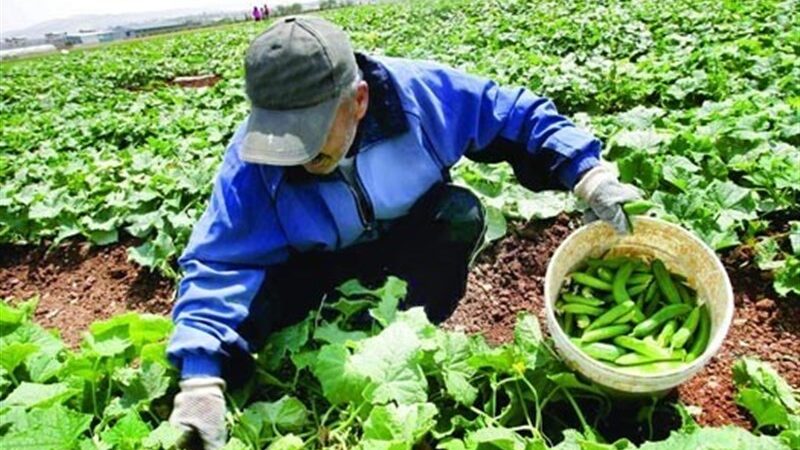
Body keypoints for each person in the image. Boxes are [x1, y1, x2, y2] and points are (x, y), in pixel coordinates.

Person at [167, 16, 641, 449]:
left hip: (402, 245)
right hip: (313, 268)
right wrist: (200, 378)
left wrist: (587, 172)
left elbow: (512, 114)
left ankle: (413, 333)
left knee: (458, 214)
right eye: (280, 135)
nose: (296, 152)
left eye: (309, 132)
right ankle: (310, 346)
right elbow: (221, 259)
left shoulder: (420, 96)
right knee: (254, 297)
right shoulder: (253, 159)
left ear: (358, 101)